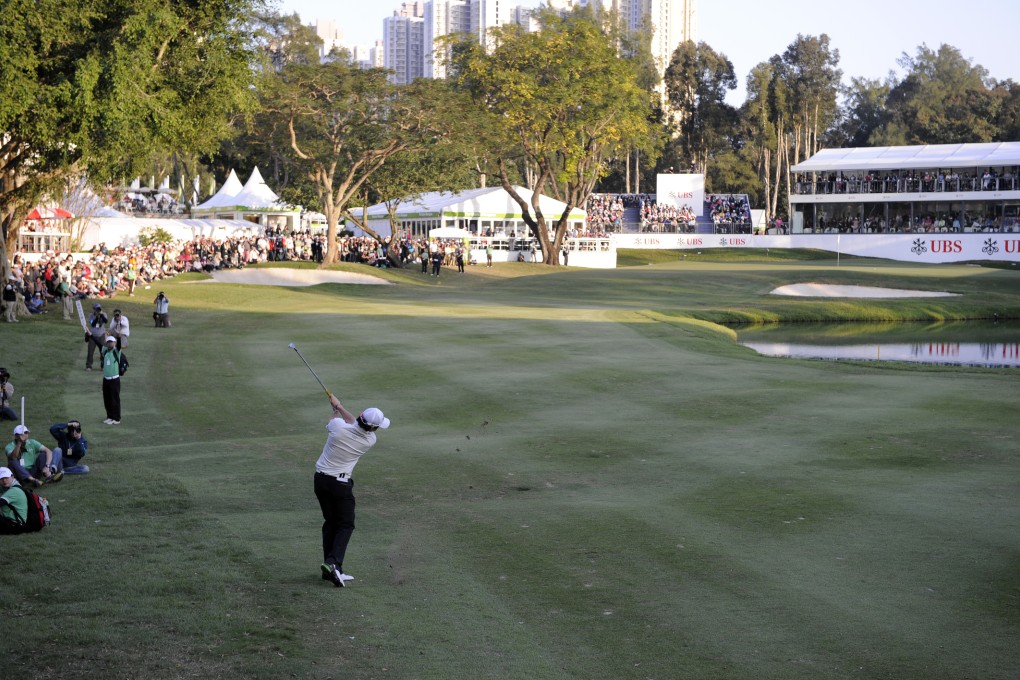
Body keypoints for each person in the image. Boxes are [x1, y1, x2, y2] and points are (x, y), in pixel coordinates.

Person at [314, 394, 389, 587]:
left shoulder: (338, 428)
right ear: (374, 428)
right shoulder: (370, 440)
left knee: (331, 522)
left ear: (361, 415)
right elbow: (354, 423)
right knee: (346, 524)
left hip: (320, 481)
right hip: (340, 485)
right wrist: (339, 406)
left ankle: (330, 568)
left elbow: (337, 422)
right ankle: (333, 564)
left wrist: (335, 409)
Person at [100, 336, 123, 425]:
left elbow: (119, 346)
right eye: (108, 342)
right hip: (106, 379)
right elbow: (98, 344)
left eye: (111, 342)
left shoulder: (116, 351)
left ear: (114, 343)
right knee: (107, 399)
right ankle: (110, 416)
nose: (110, 343)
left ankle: (116, 418)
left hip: (114, 380)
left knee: (115, 399)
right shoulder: (105, 351)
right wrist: (90, 336)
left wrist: (119, 337)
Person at [0, 466, 29, 534]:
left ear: (12, 477)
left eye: (6, 478)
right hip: (15, 522)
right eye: (1, 478)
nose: (4, 480)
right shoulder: (14, 485)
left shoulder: (14, 491)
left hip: (15, 525)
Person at [85, 303, 108, 370]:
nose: (97, 310)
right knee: (90, 351)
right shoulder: (91, 315)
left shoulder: (104, 314)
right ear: (94, 309)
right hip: (92, 335)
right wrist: (97, 317)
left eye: (99, 308)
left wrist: (101, 315)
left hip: (101, 335)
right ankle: (89, 366)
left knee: (103, 351)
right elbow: (93, 324)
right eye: (96, 309)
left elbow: (105, 321)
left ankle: (103, 365)